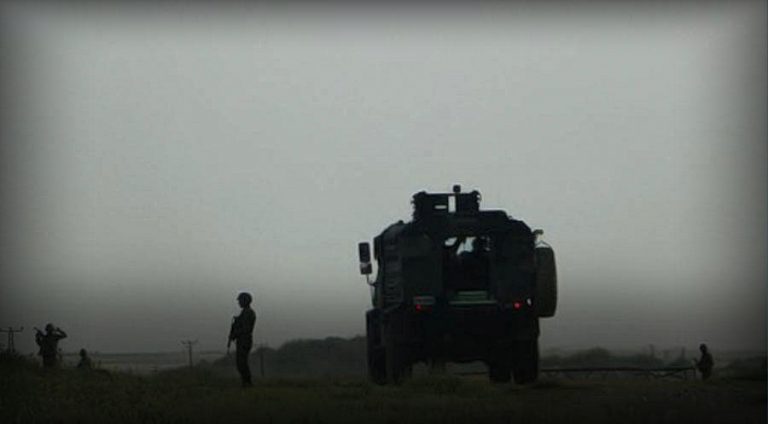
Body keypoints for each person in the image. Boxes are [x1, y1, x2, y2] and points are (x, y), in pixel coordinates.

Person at [228, 292, 257, 387]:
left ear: (245, 301)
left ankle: (247, 383)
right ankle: (246, 382)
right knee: (241, 363)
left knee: (242, 363)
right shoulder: (245, 312)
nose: (239, 302)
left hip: (245, 340)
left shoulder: (248, 313)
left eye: (240, 300)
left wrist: (235, 334)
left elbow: (245, 329)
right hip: (243, 340)